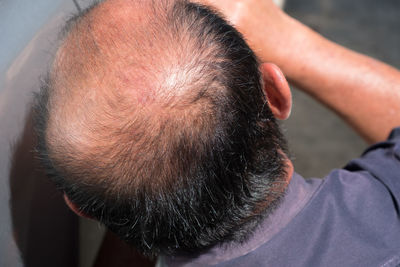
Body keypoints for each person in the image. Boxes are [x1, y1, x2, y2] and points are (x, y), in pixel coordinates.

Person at [33, 0, 400, 266]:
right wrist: (288, 40)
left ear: (81, 207)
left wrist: (131, 187)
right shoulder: (386, 207)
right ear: (273, 93)